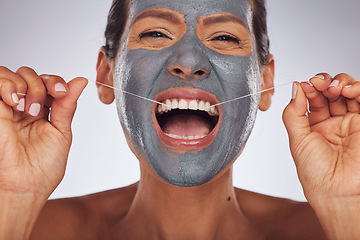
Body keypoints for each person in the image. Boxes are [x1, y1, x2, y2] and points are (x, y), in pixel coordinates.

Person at [0, 0, 359, 239]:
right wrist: (12, 198)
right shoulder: (35, 228)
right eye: (156, 32)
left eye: (224, 36)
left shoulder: (327, 230)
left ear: (265, 83)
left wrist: (347, 208)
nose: (188, 61)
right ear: (107, 73)